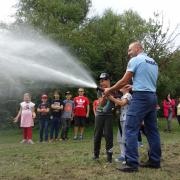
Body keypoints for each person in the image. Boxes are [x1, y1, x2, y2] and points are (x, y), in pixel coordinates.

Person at [103, 42, 161, 172]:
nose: (129, 53)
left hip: (140, 99)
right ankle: (155, 161)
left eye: (130, 50)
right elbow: (149, 82)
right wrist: (134, 87)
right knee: (152, 131)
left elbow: (124, 81)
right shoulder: (153, 62)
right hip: (152, 97)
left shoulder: (136, 60)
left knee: (130, 128)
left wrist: (109, 90)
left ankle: (131, 163)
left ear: (137, 48)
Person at [92, 73, 114, 163]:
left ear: (108, 80)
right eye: (100, 82)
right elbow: (101, 104)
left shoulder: (114, 90)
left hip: (108, 116)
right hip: (99, 115)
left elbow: (117, 102)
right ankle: (96, 155)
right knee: (97, 135)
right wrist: (104, 96)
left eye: (103, 81)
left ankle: (109, 157)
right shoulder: (99, 91)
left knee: (109, 136)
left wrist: (110, 95)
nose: (101, 83)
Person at [107, 86, 132, 162]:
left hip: (127, 119)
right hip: (121, 119)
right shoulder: (122, 97)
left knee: (126, 139)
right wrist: (116, 101)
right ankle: (123, 155)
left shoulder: (128, 95)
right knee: (120, 138)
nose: (120, 87)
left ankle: (128, 156)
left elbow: (123, 103)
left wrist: (113, 99)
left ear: (127, 88)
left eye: (123, 86)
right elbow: (117, 105)